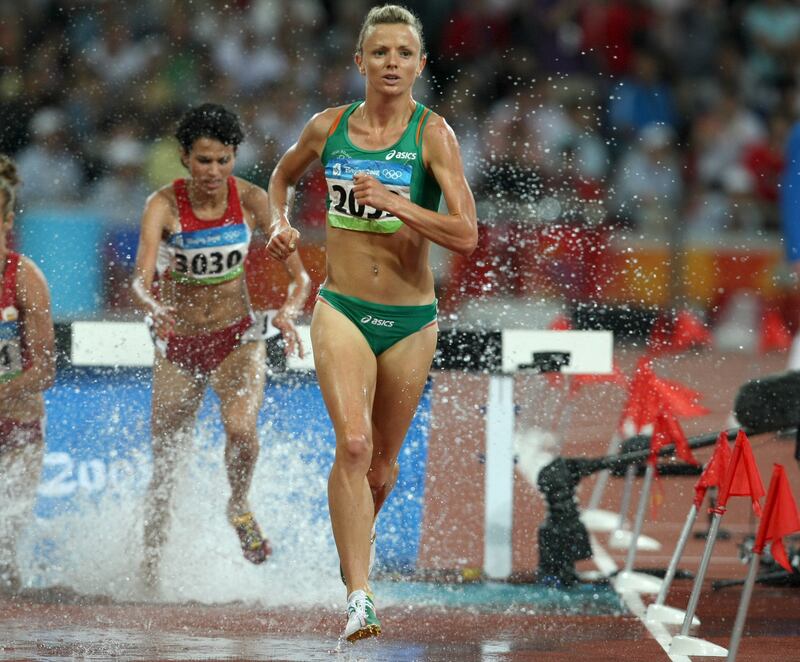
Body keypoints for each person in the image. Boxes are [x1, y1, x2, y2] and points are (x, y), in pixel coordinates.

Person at [266, 5, 478, 642]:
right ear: (359, 62)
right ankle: (360, 597)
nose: (391, 63)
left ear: (418, 64)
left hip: (412, 319)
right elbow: (279, 179)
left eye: (403, 54)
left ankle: (347, 555)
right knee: (354, 445)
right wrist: (278, 224)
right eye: (379, 52)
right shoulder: (327, 127)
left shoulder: (433, 133)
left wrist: (396, 203)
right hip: (344, 308)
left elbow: (466, 234)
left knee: (381, 468)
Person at [131, 103, 311, 592]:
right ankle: (148, 575)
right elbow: (141, 280)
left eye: (223, 160)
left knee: (241, 431)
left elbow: (301, 276)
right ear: (185, 158)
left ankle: (239, 503)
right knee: (165, 469)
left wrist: (289, 313)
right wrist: (152, 306)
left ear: (234, 157)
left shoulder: (253, 200)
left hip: (237, 338)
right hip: (178, 344)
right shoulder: (163, 206)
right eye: (204, 161)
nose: (213, 172)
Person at [0, 154, 56, 594]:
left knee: (4, 556)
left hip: (17, 422)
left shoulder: (24, 277)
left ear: (7, 222)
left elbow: (45, 372)